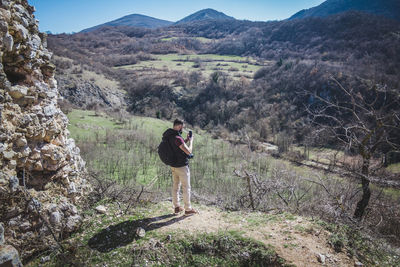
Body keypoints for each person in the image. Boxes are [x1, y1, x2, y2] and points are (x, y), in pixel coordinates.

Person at [162, 119, 198, 215]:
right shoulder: (177, 138)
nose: (182, 129)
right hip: (181, 166)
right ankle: (188, 209)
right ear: (179, 126)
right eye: (182, 127)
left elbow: (177, 146)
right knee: (186, 187)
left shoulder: (169, 136)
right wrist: (191, 142)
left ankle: (177, 207)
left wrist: (185, 140)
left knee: (176, 186)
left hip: (173, 165)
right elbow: (188, 151)